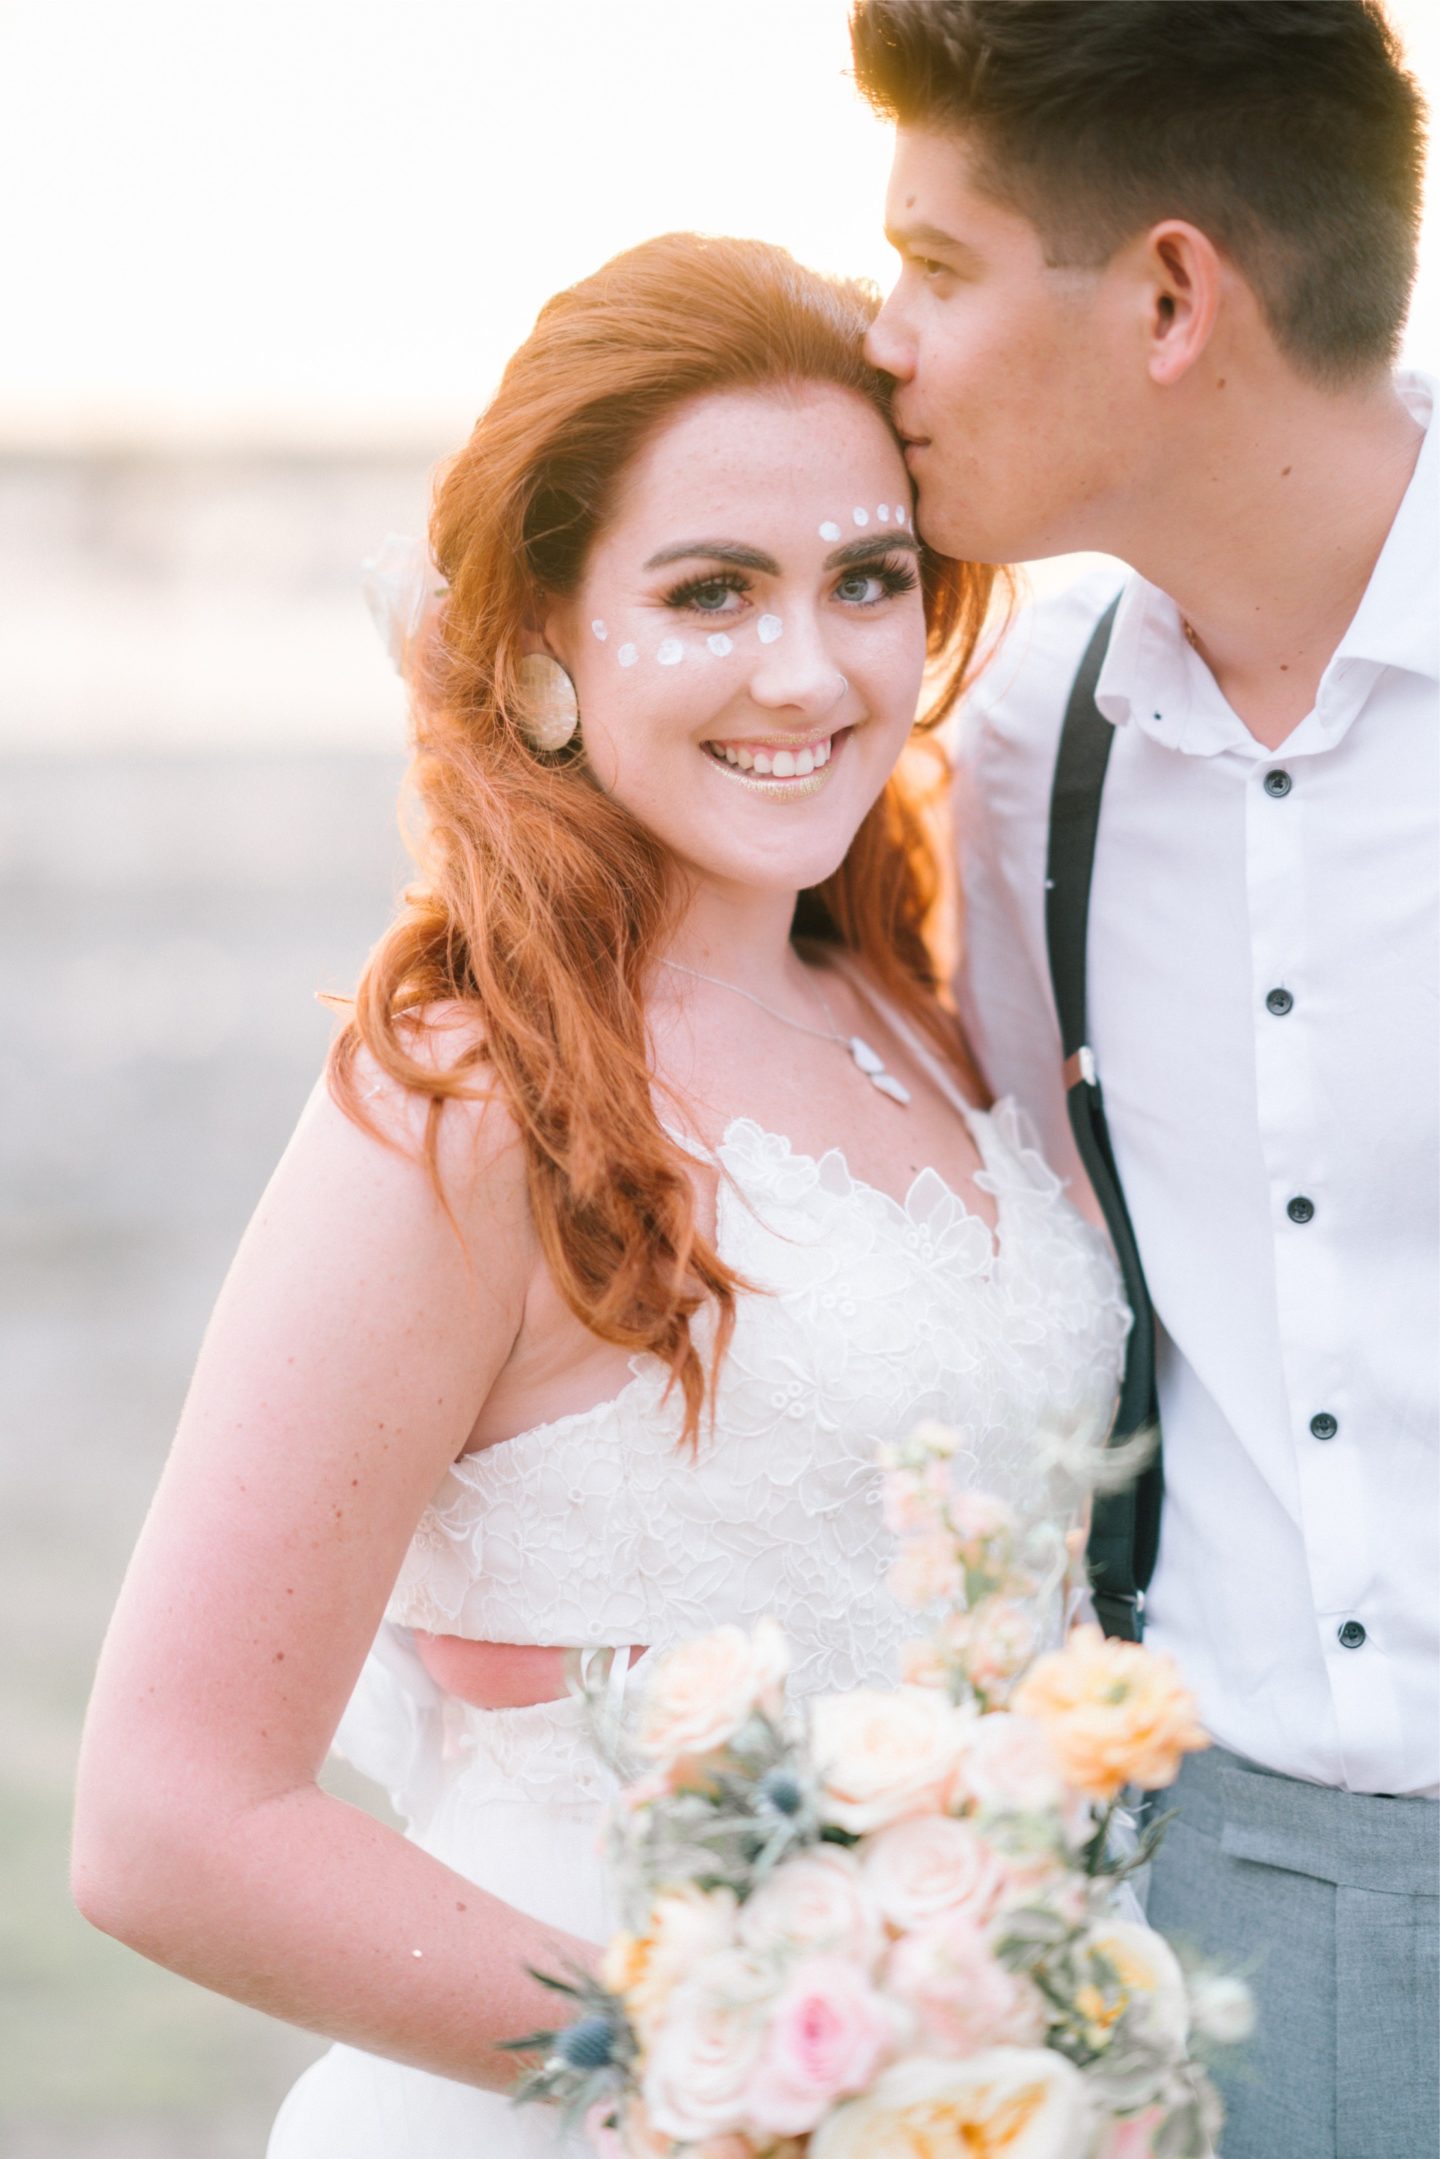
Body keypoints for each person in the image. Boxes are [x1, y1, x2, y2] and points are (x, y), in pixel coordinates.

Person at [70, 232, 1129, 2155]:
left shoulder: (912, 999)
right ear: (548, 636)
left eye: (866, 580)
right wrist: (769, 2079)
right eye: (711, 591)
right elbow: (167, 1819)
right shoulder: (474, 1103)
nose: (805, 668)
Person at [848, 3, 1439, 2154]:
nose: (879, 334)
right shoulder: (1022, 770)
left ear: (1172, 295)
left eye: (933, 264)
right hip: (1212, 1941)